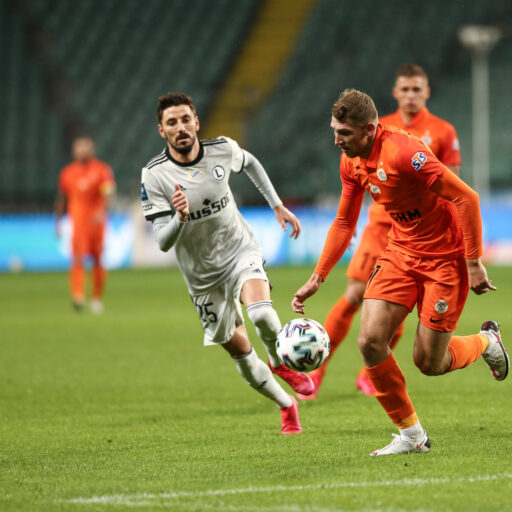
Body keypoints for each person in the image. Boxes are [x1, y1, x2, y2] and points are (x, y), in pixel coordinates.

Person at [292, 89, 508, 455]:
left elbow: (465, 198)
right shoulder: (351, 162)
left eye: (344, 133)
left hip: (445, 259)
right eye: (334, 130)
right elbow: (345, 221)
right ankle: (411, 434)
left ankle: (488, 342)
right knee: (370, 342)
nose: (336, 140)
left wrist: (473, 262)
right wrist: (318, 275)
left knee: (429, 362)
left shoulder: (406, 153)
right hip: (401, 253)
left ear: (370, 129)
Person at [140, 93, 315, 434]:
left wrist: (276, 205)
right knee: (243, 356)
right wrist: (179, 217)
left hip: (239, 251)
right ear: (162, 131)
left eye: (186, 119)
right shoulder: (154, 176)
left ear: (196, 122)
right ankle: (286, 405)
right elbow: (162, 242)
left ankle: (281, 363)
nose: (181, 128)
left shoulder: (221, 148)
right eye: (172, 123)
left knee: (262, 313)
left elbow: (250, 163)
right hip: (202, 278)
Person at [301, 64, 462, 400]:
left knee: (397, 309)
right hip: (381, 227)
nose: (410, 96)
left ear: (427, 92)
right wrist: (318, 275)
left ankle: (369, 373)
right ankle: (317, 369)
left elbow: (455, 189)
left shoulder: (442, 132)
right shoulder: (372, 128)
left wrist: (464, 250)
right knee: (356, 295)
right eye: (405, 89)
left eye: (417, 89)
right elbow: (346, 214)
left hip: (423, 234)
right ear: (395, 92)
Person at [54, 136, 115, 313]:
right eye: (78, 148)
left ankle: (96, 298)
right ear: (74, 151)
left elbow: (108, 193)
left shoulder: (102, 170)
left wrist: (102, 211)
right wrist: (57, 222)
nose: (82, 151)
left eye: (85, 147)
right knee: (77, 259)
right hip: (78, 223)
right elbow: (62, 198)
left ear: (91, 150)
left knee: (97, 260)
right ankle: (78, 295)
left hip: (96, 223)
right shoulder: (67, 173)